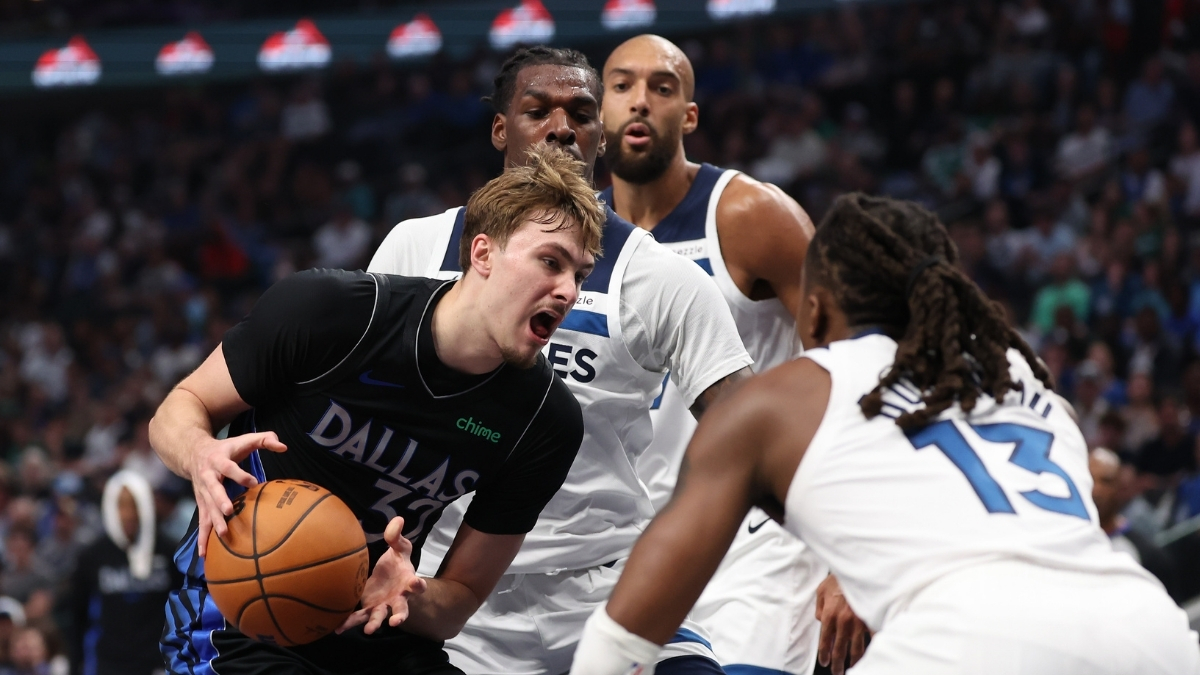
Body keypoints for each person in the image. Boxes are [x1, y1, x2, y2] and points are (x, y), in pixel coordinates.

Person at [569, 193, 1200, 675]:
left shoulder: (785, 396)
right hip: (1152, 632)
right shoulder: (1022, 380)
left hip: (971, 642)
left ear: (811, 309)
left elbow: (623, 635)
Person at [368, 46, 753, 674]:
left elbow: (754, 429)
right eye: (537, 110)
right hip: (446, 598)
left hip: (612, 590)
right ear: (501, 129)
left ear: (599, 133)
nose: (562, 127)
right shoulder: (416, 247)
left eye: (580, 111)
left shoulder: (659, 276)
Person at [152, 147, 603, 675]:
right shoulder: (334, 313)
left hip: (370, 626)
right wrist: (200, 452)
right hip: (241, 609)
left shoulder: (544, 421)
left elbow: (457, 600)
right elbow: (178, 409)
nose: (569, 290)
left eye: (580, 274)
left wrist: (410, 593)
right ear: (482, 253)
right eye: (550, 261)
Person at [600, 34, 854, 675]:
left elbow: (854, 369)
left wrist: (851, 557)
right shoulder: (574, 239)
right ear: (598, 110)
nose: (639, 103)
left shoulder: (748, 215)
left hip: (755, 535)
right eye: (622, 85)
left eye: (662, 88)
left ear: (688, 115)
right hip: (633, 542)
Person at [69, 470, 181, 675]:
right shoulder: (92, 556)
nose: (128, 513)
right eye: (121, 504)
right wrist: (75, 665)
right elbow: (78, 619)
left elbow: (184, 611)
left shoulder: (170, 552)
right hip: (110, 664)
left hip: (159, 663)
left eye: (134, 504)